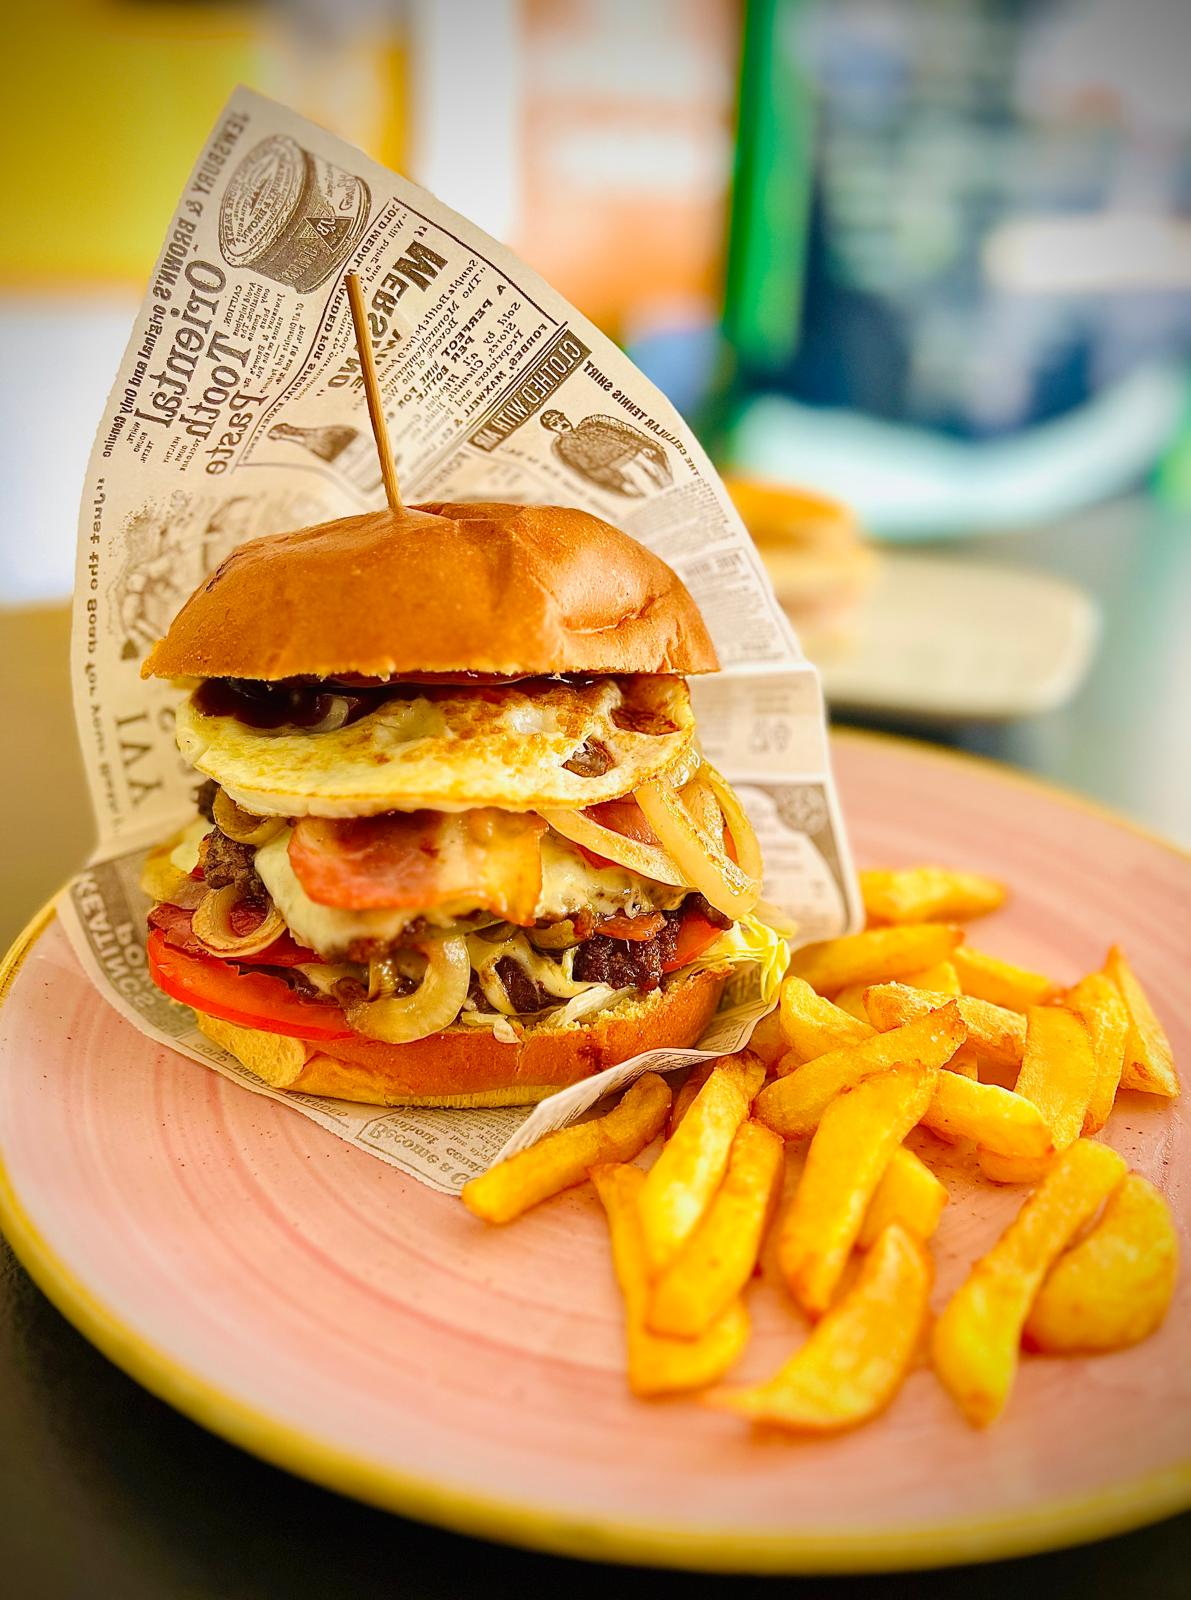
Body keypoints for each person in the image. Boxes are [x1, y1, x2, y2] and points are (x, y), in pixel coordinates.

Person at [540, 409, 672, 496]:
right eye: (555, 423)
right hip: (624, 467)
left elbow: (622, 437)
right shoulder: (567, 447)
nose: (561, 423)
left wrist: (642, 447)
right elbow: (593, 469)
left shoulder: (592, 428)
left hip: (640, 455)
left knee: (667, 480)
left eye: (560, 418)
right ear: (552, 429)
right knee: (654, 492)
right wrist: (620, 483)